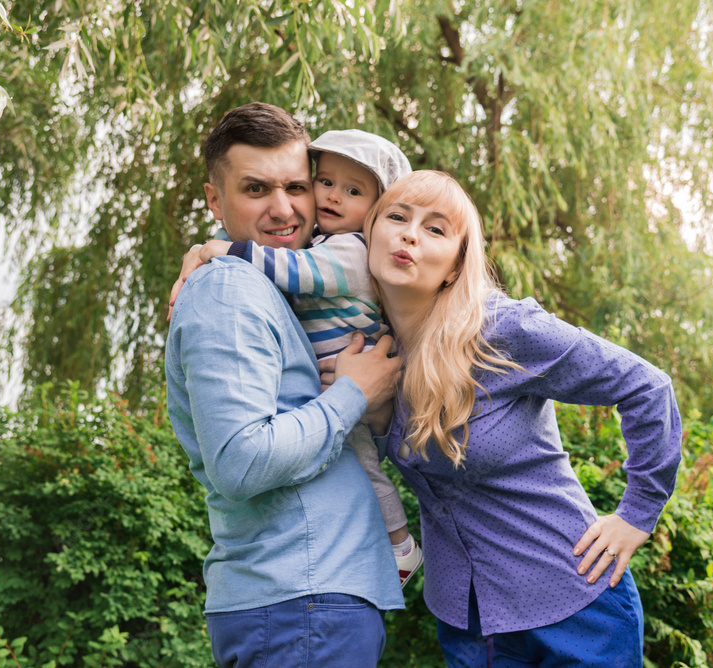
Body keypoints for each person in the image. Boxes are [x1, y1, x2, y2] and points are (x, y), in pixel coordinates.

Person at [354, 170, 683, 666]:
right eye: (397, 217)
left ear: (454, 266)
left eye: (436, 229)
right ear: (370, 234)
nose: (409, 234)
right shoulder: (375, 355)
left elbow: (646, 386)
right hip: (467, 623)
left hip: (576, 604)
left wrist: (638, 513)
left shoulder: (501, 330)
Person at [165, 102, 405, 667]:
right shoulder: (230, 291)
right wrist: (354, 393)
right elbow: (242, 461)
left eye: (297, 186)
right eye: (255, 189)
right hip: (299, 602)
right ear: (214, 201)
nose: (284, 209)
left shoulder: (285, 286)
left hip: (313, 602)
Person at [190, 129, 424, 586]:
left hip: (351, 384)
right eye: (325, 183)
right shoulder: (317, 244)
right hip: (342, 390)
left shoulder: (352, 251)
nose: (334, 197)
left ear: (376, 211)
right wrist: (203, 250)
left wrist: (227, 250)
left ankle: (400, 545)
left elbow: (294, 270)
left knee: (365, 470)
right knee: (361, 468)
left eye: (353, 191)